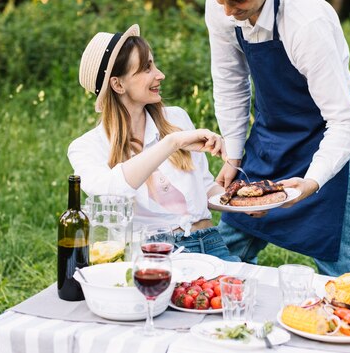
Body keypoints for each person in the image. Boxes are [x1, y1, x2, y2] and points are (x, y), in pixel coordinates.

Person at [203, 0, 350, 276]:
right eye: (220, 0)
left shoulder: (307, 22)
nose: (229, 12)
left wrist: (312, 181)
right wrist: (233, 155)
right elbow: (230, 81)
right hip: (269, 137)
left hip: (325, 139)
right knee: (225, 254)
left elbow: (345, 122)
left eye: (239, 1)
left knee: (340, 267)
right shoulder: (221, 8)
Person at [68, 24, 240, 261]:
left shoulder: (176, 118)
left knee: (243, 295)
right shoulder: (86, 147)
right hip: (157, 254)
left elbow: (205, 188)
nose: (160, 74)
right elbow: (110, 191)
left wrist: (243, 201)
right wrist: (171, 143)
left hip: (210, 241)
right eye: (147, 68)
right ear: (118, 85)